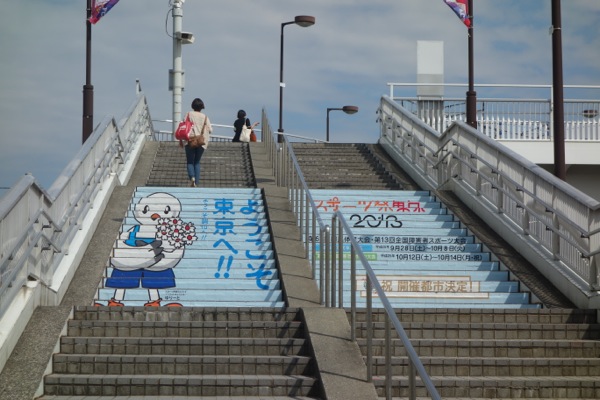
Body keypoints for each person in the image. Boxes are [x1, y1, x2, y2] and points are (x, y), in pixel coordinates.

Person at [180, 98, 212, 187]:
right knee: (197, 162)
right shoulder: (205, 117)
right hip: (201, 141)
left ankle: (192, 178)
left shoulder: (188, 114)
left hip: (190, 140)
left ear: (192, 105)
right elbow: (210, 130)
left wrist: (181, 140)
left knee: (190, 162)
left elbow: (183, 126)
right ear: (202, 107)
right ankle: (196, 183)